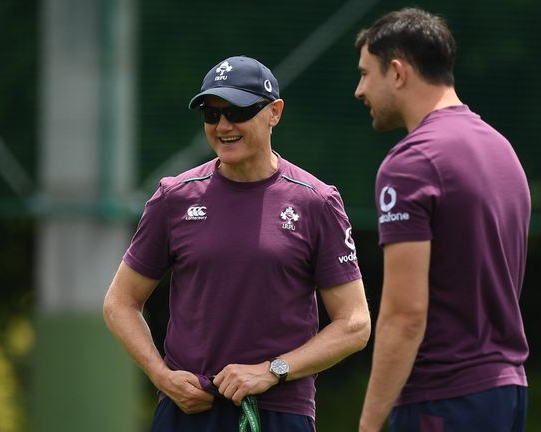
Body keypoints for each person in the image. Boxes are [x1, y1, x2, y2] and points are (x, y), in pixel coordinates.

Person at [103, 55, 371, 431]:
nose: (223, 126)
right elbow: (120, 302)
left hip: (278, 412)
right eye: (211, 115)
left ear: (274, 112)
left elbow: (355, 324)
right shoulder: (173, 197)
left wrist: (272, 371)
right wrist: (162, 377)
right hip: (187, 410)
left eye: (237, 112)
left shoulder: (316, 201)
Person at [353, 8, 531, 432]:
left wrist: (369, 424)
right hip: (507, 392)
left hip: (443, 399)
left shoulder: (411, 162)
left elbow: (404, 315)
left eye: (365, 74)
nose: (359, 90)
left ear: (397, 72)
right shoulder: (501, 149)